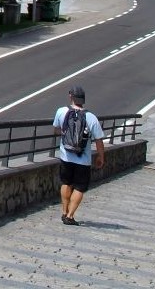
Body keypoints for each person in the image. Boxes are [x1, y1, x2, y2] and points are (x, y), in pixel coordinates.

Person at [52, 85, 105, 225]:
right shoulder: (91, 117)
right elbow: (99, 140)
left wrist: (65, 133)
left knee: (66, 183)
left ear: (71, 96)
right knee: (80, 188)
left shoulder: (61, 111)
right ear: (83, 99)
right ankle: (70, 216)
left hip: (66, 156)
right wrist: (101, 157)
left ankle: (64, 211)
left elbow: (56, 130)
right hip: (83, 160)